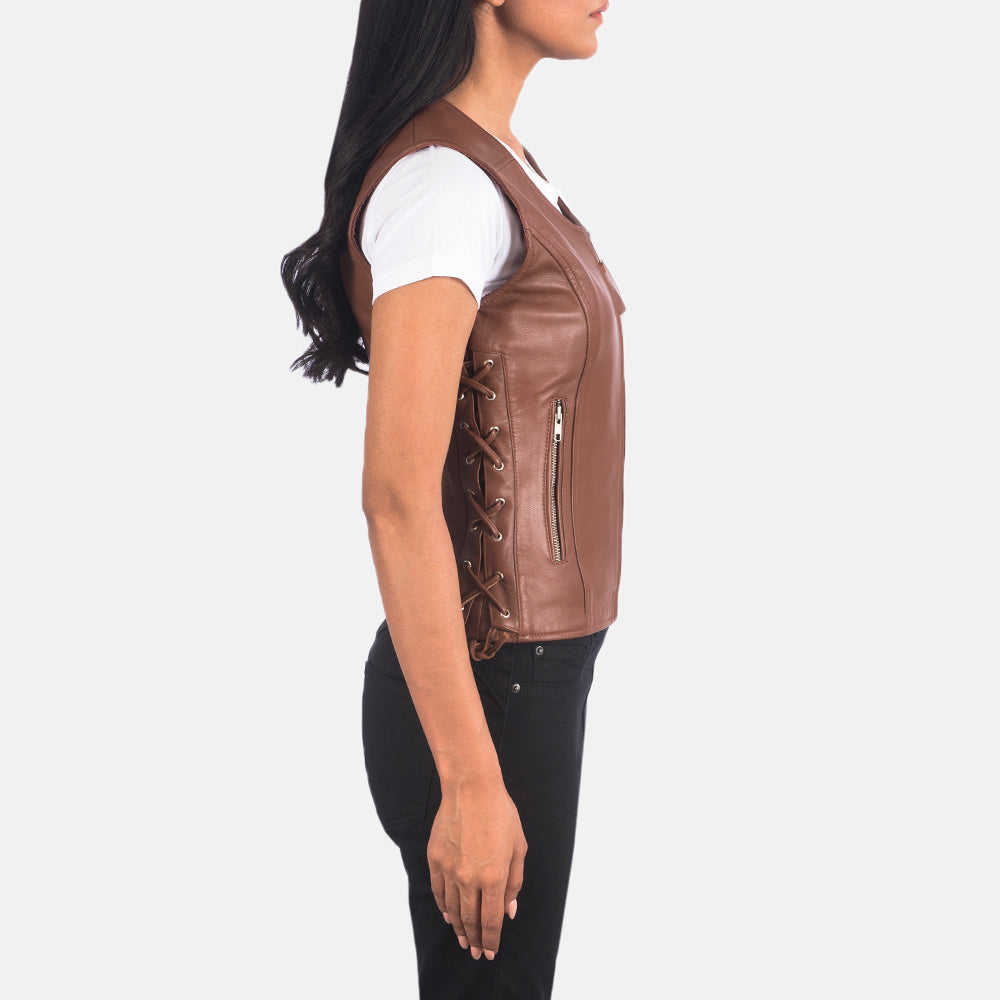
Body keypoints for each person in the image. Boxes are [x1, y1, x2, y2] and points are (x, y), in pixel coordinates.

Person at [280, 2, 625, 996]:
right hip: (490, 692)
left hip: (521, 680)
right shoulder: (444, 186)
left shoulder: (494, 165)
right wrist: (471, 780)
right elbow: (395, 496)